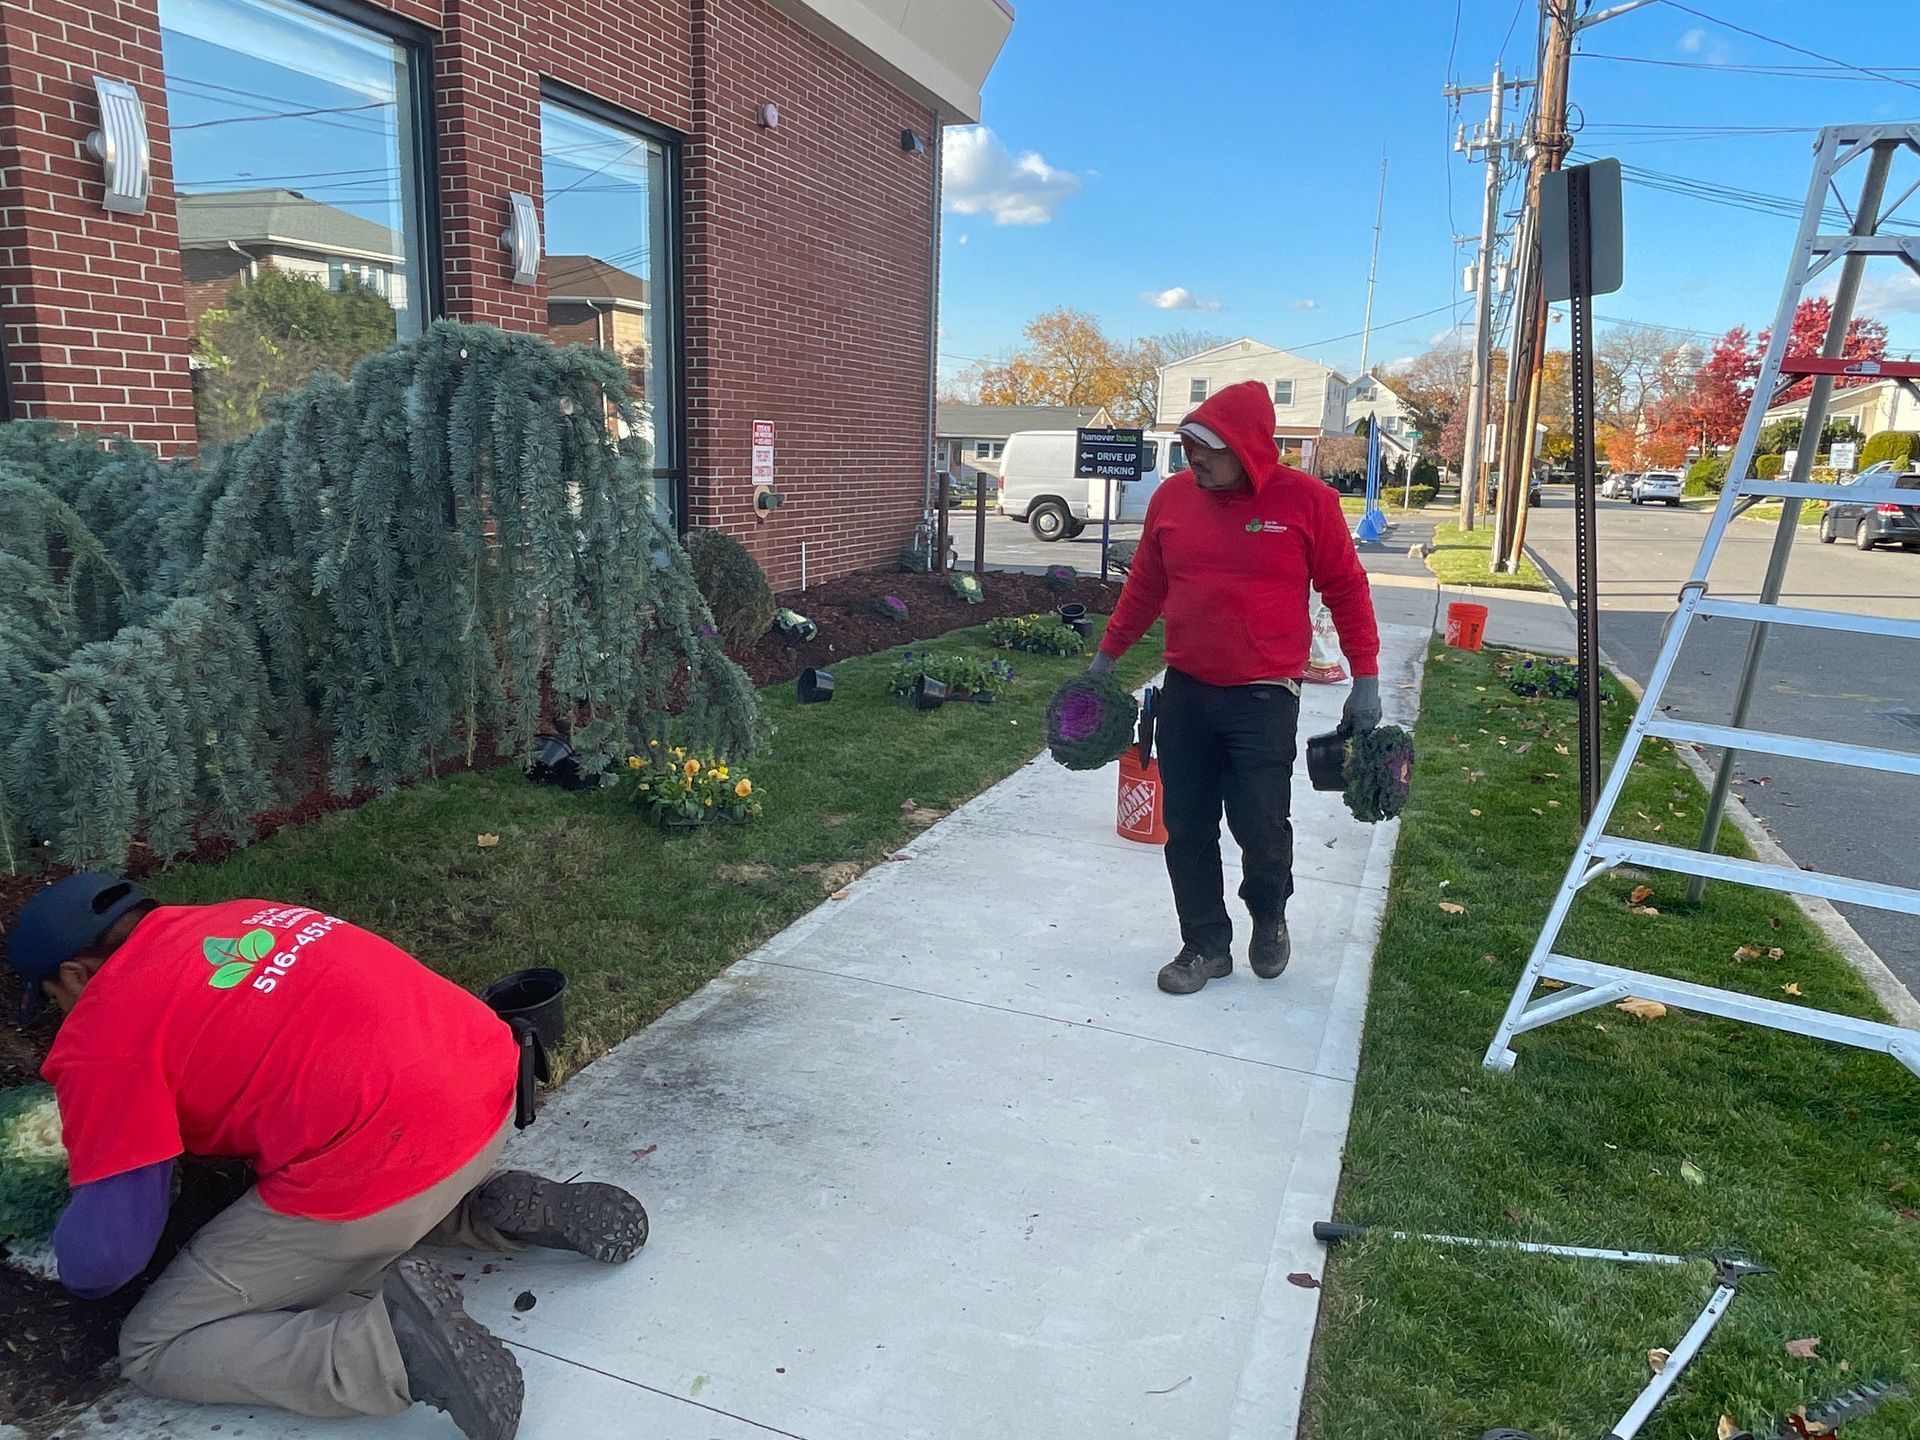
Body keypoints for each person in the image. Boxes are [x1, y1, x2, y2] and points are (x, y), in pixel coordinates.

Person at [6, 872, 652, 1440]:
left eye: (56, 1000)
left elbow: (105, 1263)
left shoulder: (106, 1035)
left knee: (155, 1347)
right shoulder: (244, 915)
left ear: (74, 974)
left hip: (389, 1156)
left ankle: (388, 1354)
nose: (63, 1014)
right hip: (486, 1086)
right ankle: (485, 1211)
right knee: (338, 1172)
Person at [1093, 380, 1382, 995]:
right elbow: (1144, 587)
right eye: (1188, 444)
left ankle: (1269, 913)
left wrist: (1367, 679)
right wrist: (1104, 661)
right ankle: (1204, 945)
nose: (1192, 458)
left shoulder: (1307, 502)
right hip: (1188, 690)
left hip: (1264, 696)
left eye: (1207, 448)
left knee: (1260, 824)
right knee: (1188, 824)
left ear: (1247, 450)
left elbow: (1347, 590)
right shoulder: (1173, 500)